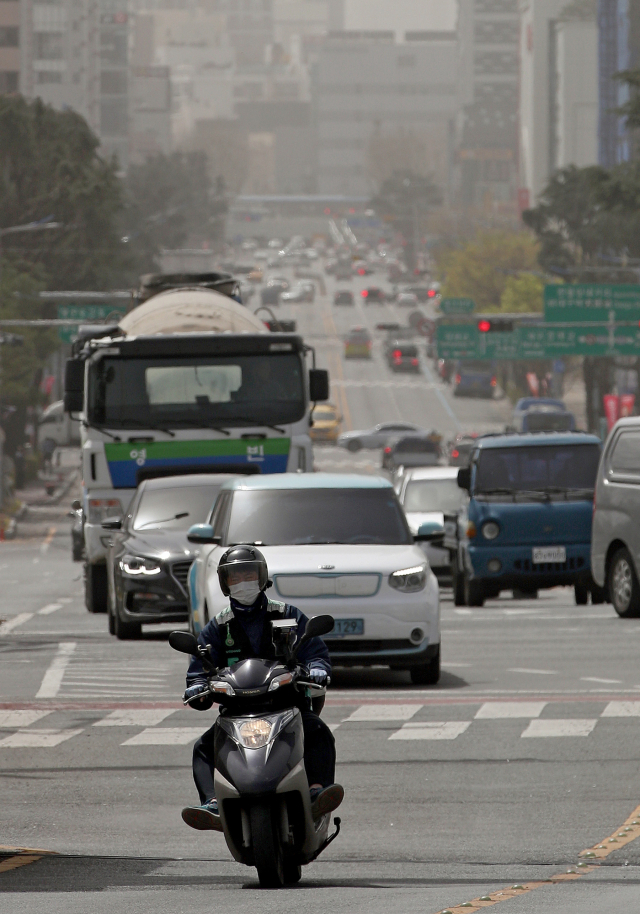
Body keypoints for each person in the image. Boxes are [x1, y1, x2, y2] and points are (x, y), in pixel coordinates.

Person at [181, 544, 344, 831]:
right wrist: (196, 687)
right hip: (236, 713)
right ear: (224, 583)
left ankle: (317, 791)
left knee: (317, 731)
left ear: (262, 576)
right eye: (234, 576)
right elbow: (200, 667)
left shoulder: (287, 614)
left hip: (285, 706)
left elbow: (313, 649)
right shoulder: (218, 628)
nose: (243, 581)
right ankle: (213, 804)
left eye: (249, 573)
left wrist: (318, 668)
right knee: (203, 748)